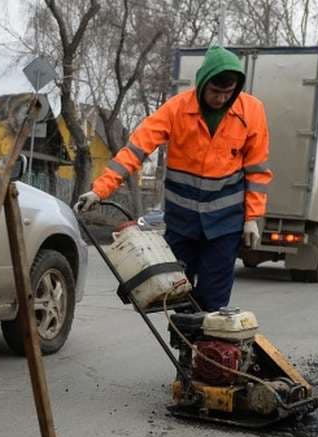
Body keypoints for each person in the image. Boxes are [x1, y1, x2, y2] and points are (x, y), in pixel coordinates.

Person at [75, 46, 271, 311]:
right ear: (202, 85)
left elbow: (257, 171)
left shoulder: (251, 111)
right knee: (176, 293)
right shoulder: (176, 110)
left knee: (213, 301)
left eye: (228, 93)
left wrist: (252, 219)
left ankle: (207, 351)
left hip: (225, 225)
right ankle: (184, 347)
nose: (221, 99)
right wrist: (99, 191)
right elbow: (135, 150)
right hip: (183, 223)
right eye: (215, 92)